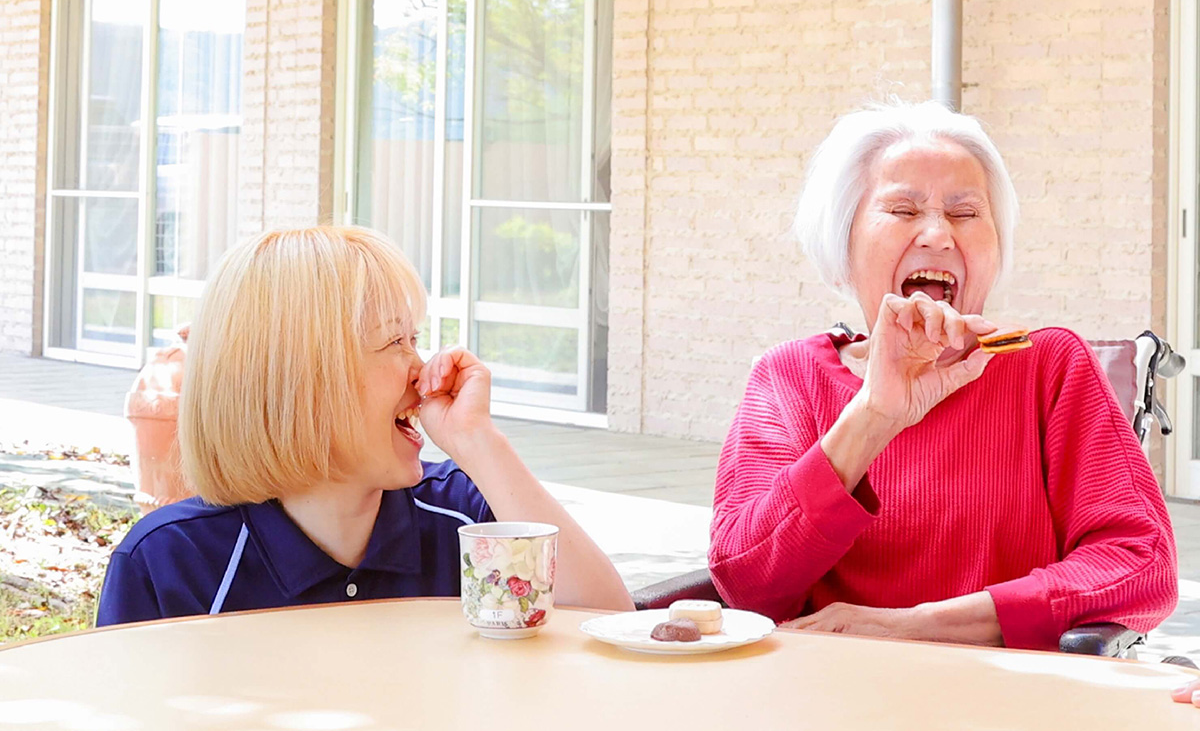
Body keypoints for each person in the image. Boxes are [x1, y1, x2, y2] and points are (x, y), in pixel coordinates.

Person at [708, 100, 1177, 651]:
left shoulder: (1049, 367)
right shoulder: (788, 379)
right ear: (843, 243)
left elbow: (1140, 564)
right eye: (903, 211)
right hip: (833, 691)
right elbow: (744, 584)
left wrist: (915, 628)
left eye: (966, 213)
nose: (937, 235)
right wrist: (873, 416)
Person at [97, 226, 633, 625]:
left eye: (415, 339)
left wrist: (480, 443)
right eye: (394, 342)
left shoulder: (463, 517)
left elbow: (605, 621)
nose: (423, 371)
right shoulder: (169, 563)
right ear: (300, 380)